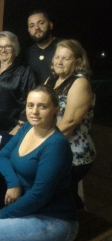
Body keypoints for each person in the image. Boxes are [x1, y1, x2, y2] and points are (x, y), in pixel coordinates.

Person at [0, 85, 78, 241]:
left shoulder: (56, 145)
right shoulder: (28, 127)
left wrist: (3, 214)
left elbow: (39, 195)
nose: (34, 111)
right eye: (30, 105)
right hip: (31, 209)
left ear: (56, 110)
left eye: (42, 106)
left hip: (54, 220)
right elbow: (2, 156)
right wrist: (14, 183)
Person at [45, 39, 96, 208]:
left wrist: (39, 142)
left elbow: (70, 121)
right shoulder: (51, 80)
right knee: (64, 192)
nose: (59, 61)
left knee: (61, 192)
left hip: (75, 154)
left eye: (65, 58)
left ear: (78, 62)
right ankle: (76, 220)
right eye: (57, 57)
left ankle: (75, 224)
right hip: (55, 147)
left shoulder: (80, 82)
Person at [0, 31, 36, 132]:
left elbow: (30, 101)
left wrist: (18, 128)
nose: (3, 50)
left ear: (14, 47)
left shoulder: (24, 70)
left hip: (11, 128)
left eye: (7, 46)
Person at [25, 9, 60, 84]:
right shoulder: (27, 54)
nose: (36, 28)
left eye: (41, 23)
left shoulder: (64, 47)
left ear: (50, 25)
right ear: (29, 30)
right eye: (32, 25)